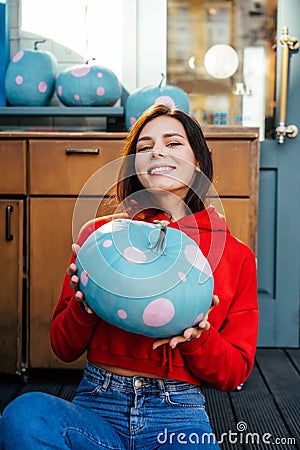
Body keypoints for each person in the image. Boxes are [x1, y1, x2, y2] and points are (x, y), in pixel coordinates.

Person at [0, 104, 259, 449]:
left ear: (199, 162)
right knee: (25, 415)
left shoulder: (235, 254)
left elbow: (235, 372)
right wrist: (85, 307)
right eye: (144, 146)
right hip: (97, 404)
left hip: (178, 415)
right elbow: (63, 347)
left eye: (173, 143)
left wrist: (199, 336)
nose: (157, 152)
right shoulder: (98, 238)